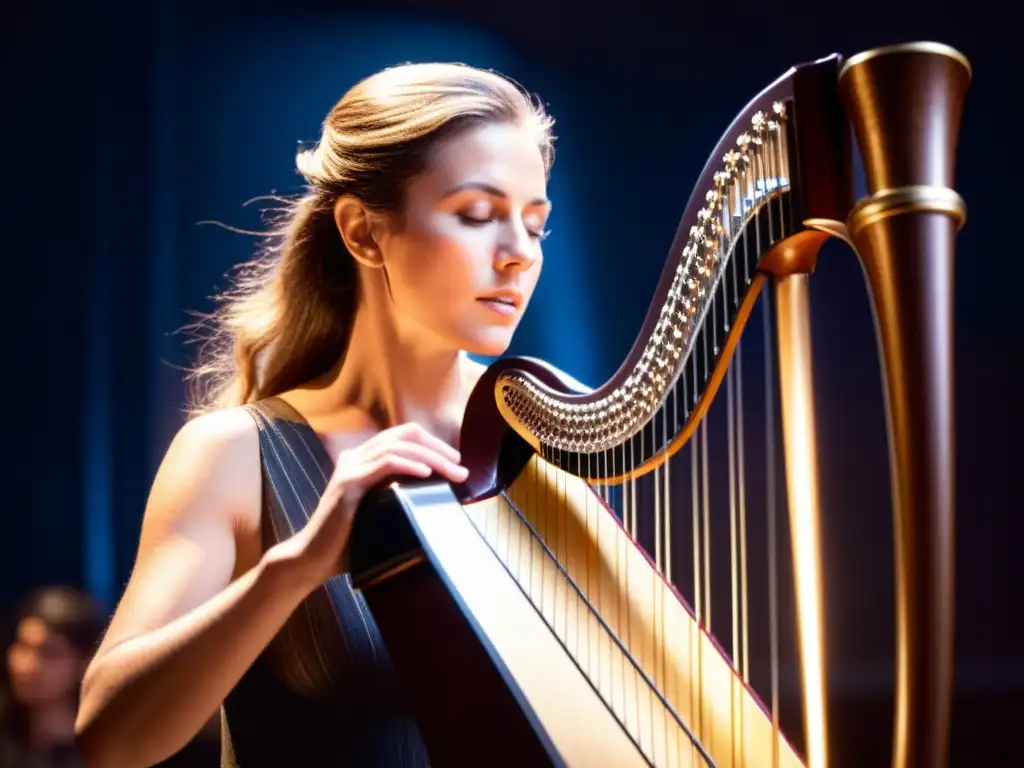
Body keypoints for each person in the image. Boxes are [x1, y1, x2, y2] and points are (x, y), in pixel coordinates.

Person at [74, 61, 555, 767]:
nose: (519, 255)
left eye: (536, 224)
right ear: (362, 232)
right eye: (478, 215)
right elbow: (111, 739)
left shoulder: (544, 438)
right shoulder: (236, 454)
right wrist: (295, 568)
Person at [1, 586, 104, 768]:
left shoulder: (104, 748)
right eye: (23, 646)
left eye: (50, 653)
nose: (26, 666)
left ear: (84, 662)